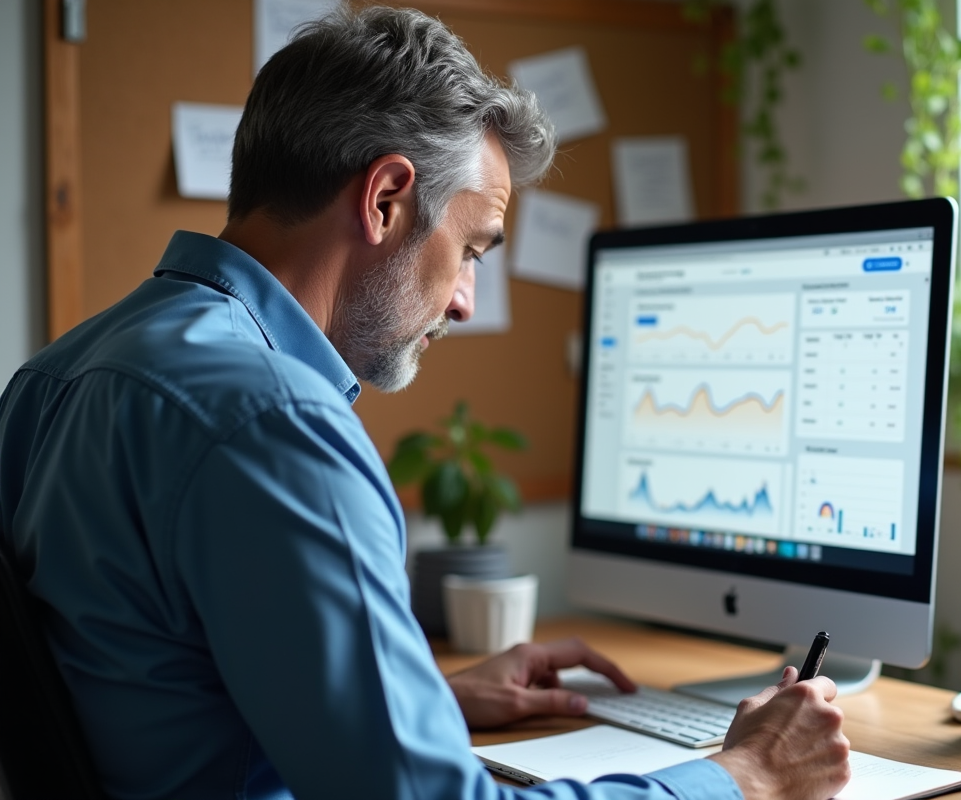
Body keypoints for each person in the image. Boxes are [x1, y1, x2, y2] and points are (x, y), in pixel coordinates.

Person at [0, 7, 850, 800]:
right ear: (383, 200)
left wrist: (415, 699)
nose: (466, 301)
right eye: (473, 248)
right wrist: (744, 778)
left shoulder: (51, 380)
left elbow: (152, 684)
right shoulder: (276, 421)